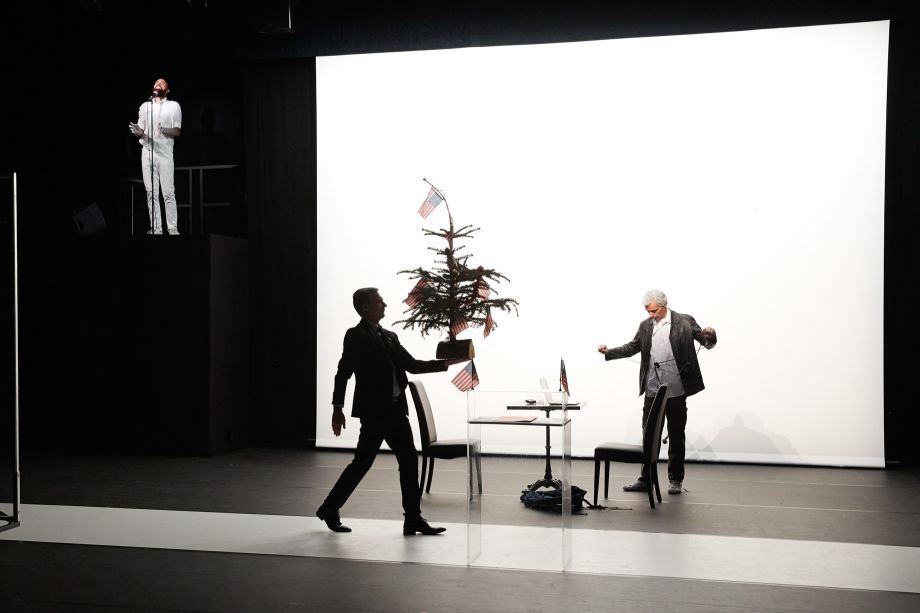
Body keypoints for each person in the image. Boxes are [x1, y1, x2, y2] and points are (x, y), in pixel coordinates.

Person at [316, 287, 460, 535]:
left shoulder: (390, 336)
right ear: (365, 307)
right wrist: (337, 408)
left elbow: (411, 365)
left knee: (409, 460)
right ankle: (329, 509)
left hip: (396, 411)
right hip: (374, 413)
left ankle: (413, 518)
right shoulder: (356, 335)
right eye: (379, 302)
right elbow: (343, 373)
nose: (385, 305)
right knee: (362, 463)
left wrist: (445, 364)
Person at [597, 289, 717, 495]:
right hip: (652, 389)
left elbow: (707, 344)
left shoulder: (685, 321)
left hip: (677, 389)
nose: (651, 315)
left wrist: (711, 335)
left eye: (654, 311)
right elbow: (633, 347)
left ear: (664, 305)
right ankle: (646, 479)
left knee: (676, 435)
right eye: (648, 311)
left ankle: (675, 480)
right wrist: (610, 352)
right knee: (649, 436)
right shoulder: (645, 325)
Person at [128, 78, 182, 235]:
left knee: (168, 192)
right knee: (151, 192)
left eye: (162, 83)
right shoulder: (145, 106)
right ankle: (156, 228)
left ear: (167, 90)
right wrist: (137, 131)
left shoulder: (173, 106)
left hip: (165, 153)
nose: (159, 84)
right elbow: (141, 130)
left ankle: (172, 228)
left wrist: (163, 129)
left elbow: (177, 131)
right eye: (157, 82)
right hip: (147, 152)